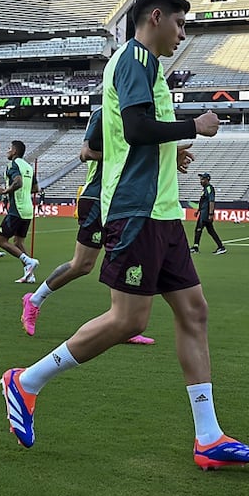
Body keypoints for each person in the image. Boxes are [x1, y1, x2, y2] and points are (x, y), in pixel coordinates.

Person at [0, 0, 249, 469]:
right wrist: (194, 126)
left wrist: (174, 149)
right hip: (136, 210)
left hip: (163, 213)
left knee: (194, 312)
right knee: (129, 320)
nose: (182, 36)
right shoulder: (135, 59)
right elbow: (135, 129)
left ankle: (209, 438)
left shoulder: (148, 68)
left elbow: (147, 135)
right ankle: (26, 382)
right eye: (180, 25)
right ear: (155, 17)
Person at [19, 107, 155, 345]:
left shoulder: (138, 114)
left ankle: (124, 324)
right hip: (97, 198)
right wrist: (121, 157)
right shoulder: (104, 113)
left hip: (124, 200)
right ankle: (34, 300)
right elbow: (85, 153)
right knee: (82, 265)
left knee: (122, 259)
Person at [0, 140, 40, 283]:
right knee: (18, 242)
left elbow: (18, 182)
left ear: (14, 151)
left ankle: (29, 261)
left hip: (17, 209)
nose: (7, 151)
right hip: (28, 209)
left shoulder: (13, 165)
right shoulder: (28, 167)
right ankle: (29, 275)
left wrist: (5, 190)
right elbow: (36, 188)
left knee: (2, 241)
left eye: (9, 148)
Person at [190, 173, 226, 255]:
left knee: (199, 229)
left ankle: (196, 247)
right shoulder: (205, 189)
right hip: (203, 212)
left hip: (205, 213)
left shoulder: (209, 188)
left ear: (207, 179)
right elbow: (203, 201)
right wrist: (198, 210)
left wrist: (210, 213)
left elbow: (211, 201)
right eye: (200, 179)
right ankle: (220, 247)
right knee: (209, 230)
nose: (201, 181)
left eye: (202, 179)